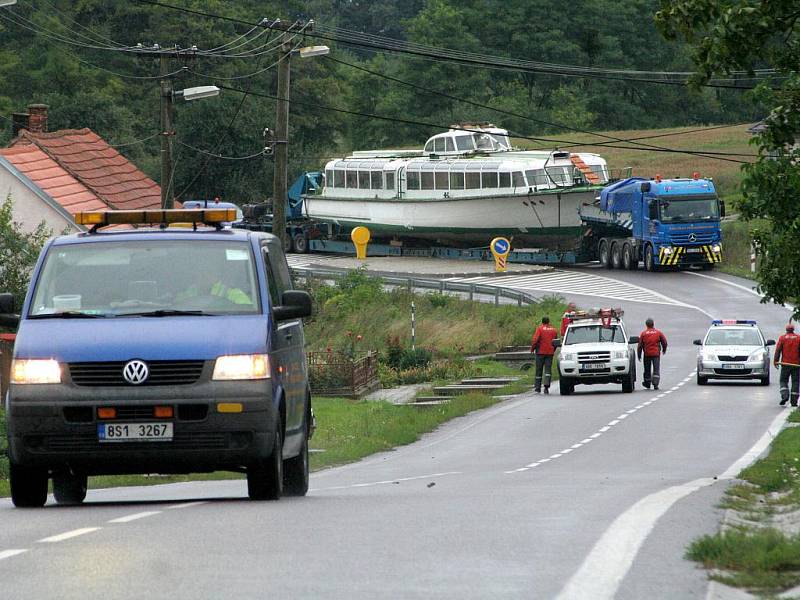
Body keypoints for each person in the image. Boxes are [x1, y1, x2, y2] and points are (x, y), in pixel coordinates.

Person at [175, 268, 252, 305]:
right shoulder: (186, 294)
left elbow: (249, 317)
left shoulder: (234, 294)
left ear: (216, 275)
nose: (204, 276)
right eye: (200, 272)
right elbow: (175, 309)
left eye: (208, 272)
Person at [637, 318, 668, 390]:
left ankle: (647, 383)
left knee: (647, 369)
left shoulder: (643, 334)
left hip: (647, 354)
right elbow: (664, 342)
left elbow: (640, 345)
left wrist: (639, 355)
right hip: (656, 354)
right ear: (653, 324)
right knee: (656, 369)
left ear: (646, 325)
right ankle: (656, 384)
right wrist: (664, 349)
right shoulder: (658, 333)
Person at [531, 315, 558, 394]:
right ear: (549, 322)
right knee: (548, 370)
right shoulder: (554, 330)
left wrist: (532, 348)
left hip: (540, 352)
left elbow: (535, 339)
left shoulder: (539, 329)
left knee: (539, 370)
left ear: (542, 322)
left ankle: (537, 387)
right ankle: (546, 386)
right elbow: (555, 342)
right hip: (550, 353)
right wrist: (553, 349)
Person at [775, 323, 800, 407]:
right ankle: (794, 401)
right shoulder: (798, 338)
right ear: (793, 330)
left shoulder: (782, 338)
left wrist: (775, 361)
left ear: (786, 330)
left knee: (783, 380)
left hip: (785, 364)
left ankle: (785, 395)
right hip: (796, 365)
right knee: (795, 382)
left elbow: (778, 350)